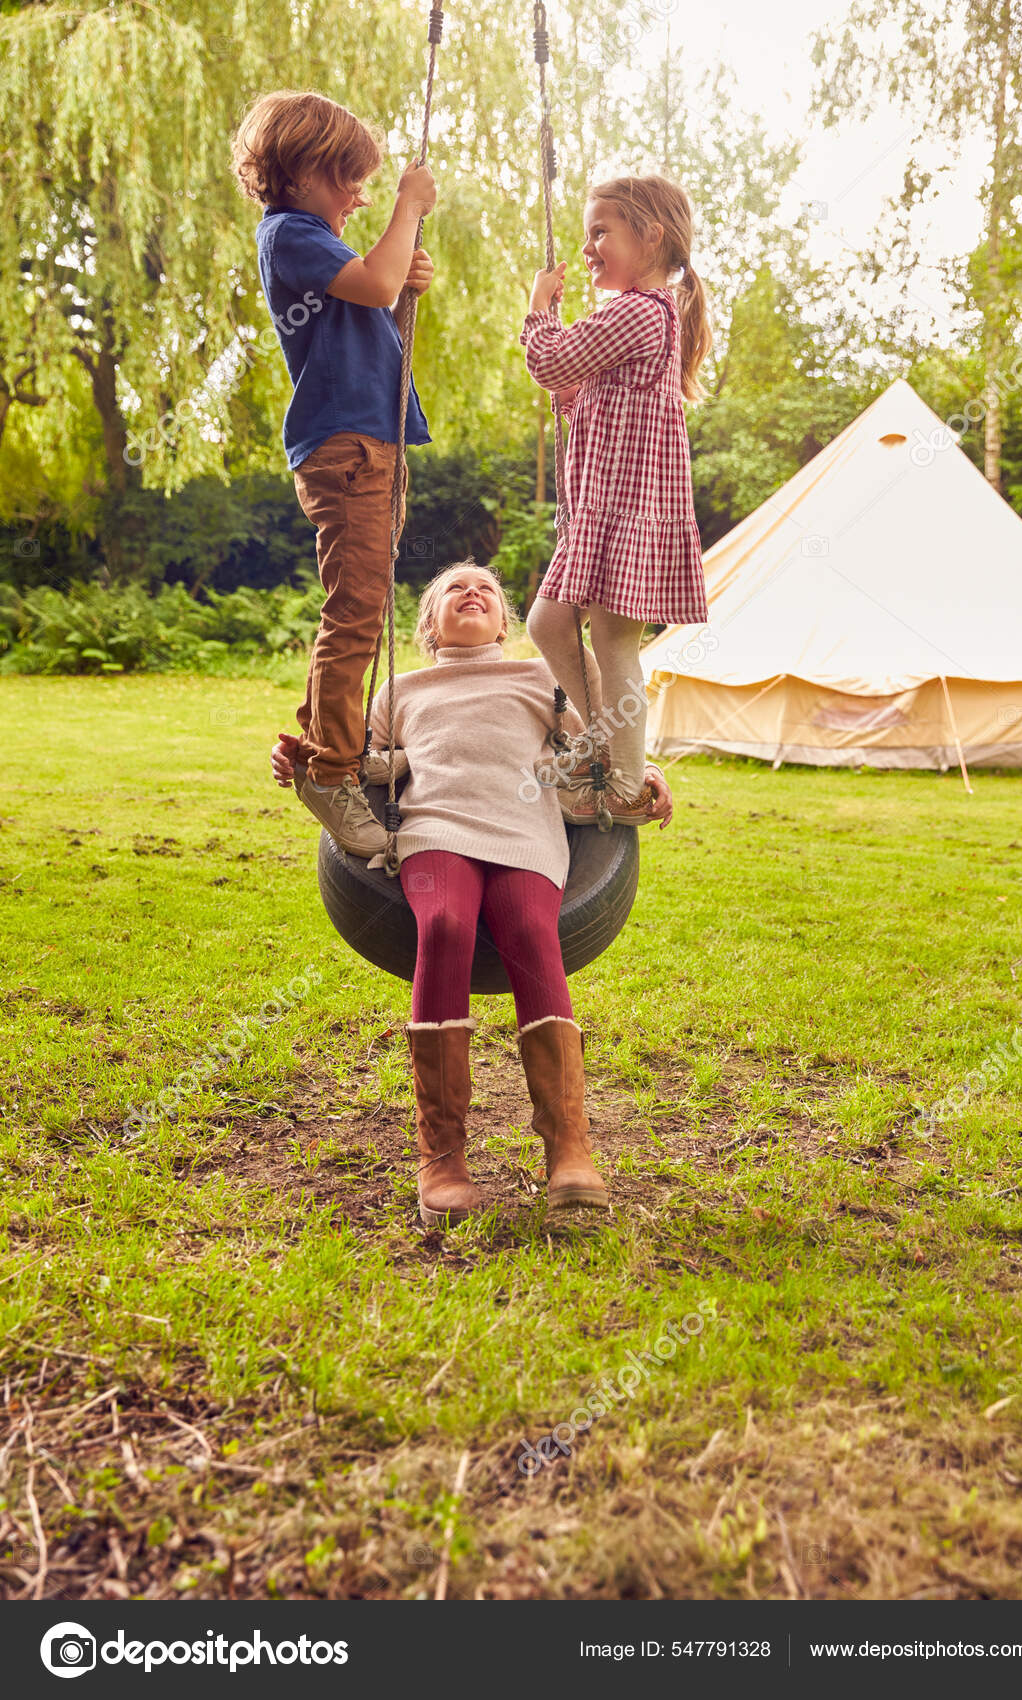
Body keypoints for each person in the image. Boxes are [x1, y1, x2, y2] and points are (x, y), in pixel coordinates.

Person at [270, 559, 674, 1227]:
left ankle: (568, 1147)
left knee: (529, 932)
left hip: (527, 832)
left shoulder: (540, 678)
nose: (471, 591)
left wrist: (645, 772)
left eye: (484, 587)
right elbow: (358, 765)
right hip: (433, 832)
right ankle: (442, 1156)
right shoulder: (399, 690)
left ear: (505, 621)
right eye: (452, 588)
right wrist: (301, 760)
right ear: (428, 624)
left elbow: (601, 753)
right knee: (448, 927)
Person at [231, 89, 436, 858]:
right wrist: (407, 210)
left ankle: (330, 743)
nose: (360, 193)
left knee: (361, 602)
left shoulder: (318, 241)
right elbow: (376, 286)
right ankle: (331, 770)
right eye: (349, 178)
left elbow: (375, 296)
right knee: (354, 613)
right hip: (345, 448)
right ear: (305, 169)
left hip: (367, 443)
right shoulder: (290, 234)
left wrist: (400, 277)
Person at [520, 174, 712, 824]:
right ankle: (610, 754)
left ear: (650, 235)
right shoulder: (644, 316)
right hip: (610, 509)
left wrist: (539, 309)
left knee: (610, 640)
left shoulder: (637, 310)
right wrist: (571, 393)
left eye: (601, 232)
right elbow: (587, 404)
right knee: (558, 626)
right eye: (586, 235)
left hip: (626, 513)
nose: (589, 248)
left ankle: (624, 785)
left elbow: (551, 363)